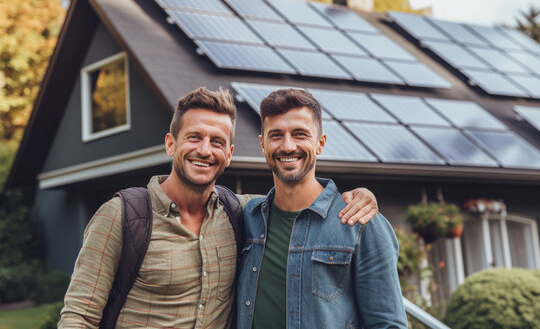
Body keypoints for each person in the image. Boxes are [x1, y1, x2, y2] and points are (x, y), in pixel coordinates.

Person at [59, 87, 379, 328]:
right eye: (194, 137)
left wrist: (357, 195)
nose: (204, 149)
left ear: (229, 153)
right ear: (171, 144)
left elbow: (296, 201)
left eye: (217, 141)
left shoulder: (242, 213)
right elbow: (79, 317)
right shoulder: (122, 216)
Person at [237, 89, 408, 328]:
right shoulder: (247, 216)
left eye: (300, 134)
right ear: (262, 144)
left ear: (320, 144)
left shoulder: (361, 224)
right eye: (276, 135)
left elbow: (387, 324)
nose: (287, 146)